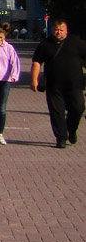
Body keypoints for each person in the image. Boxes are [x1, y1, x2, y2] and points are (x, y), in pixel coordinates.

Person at [30, 18, 86, 148]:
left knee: (78, 108)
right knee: (57, 113)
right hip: (54, 86)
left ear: (66, 31)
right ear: (52, 30)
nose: (58, 32)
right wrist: (34, 79)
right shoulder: (45, 44)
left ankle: (71, 130)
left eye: (61, 30)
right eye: (56, 30)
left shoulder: (76, 43)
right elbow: (37, 62)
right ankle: (61, 138)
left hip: (75, 85)